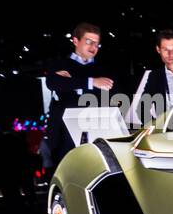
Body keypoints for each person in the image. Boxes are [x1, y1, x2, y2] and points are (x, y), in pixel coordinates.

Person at [44, 22, 118, 166]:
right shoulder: (59, 64)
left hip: (97, 133)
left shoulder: (104, 69)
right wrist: (92, 82)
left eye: (96, 44)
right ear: (76, 41)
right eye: (89, 42)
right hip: (64, 135)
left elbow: (113, 92)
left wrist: (72, 81)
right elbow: (53, 83)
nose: (93, 47)